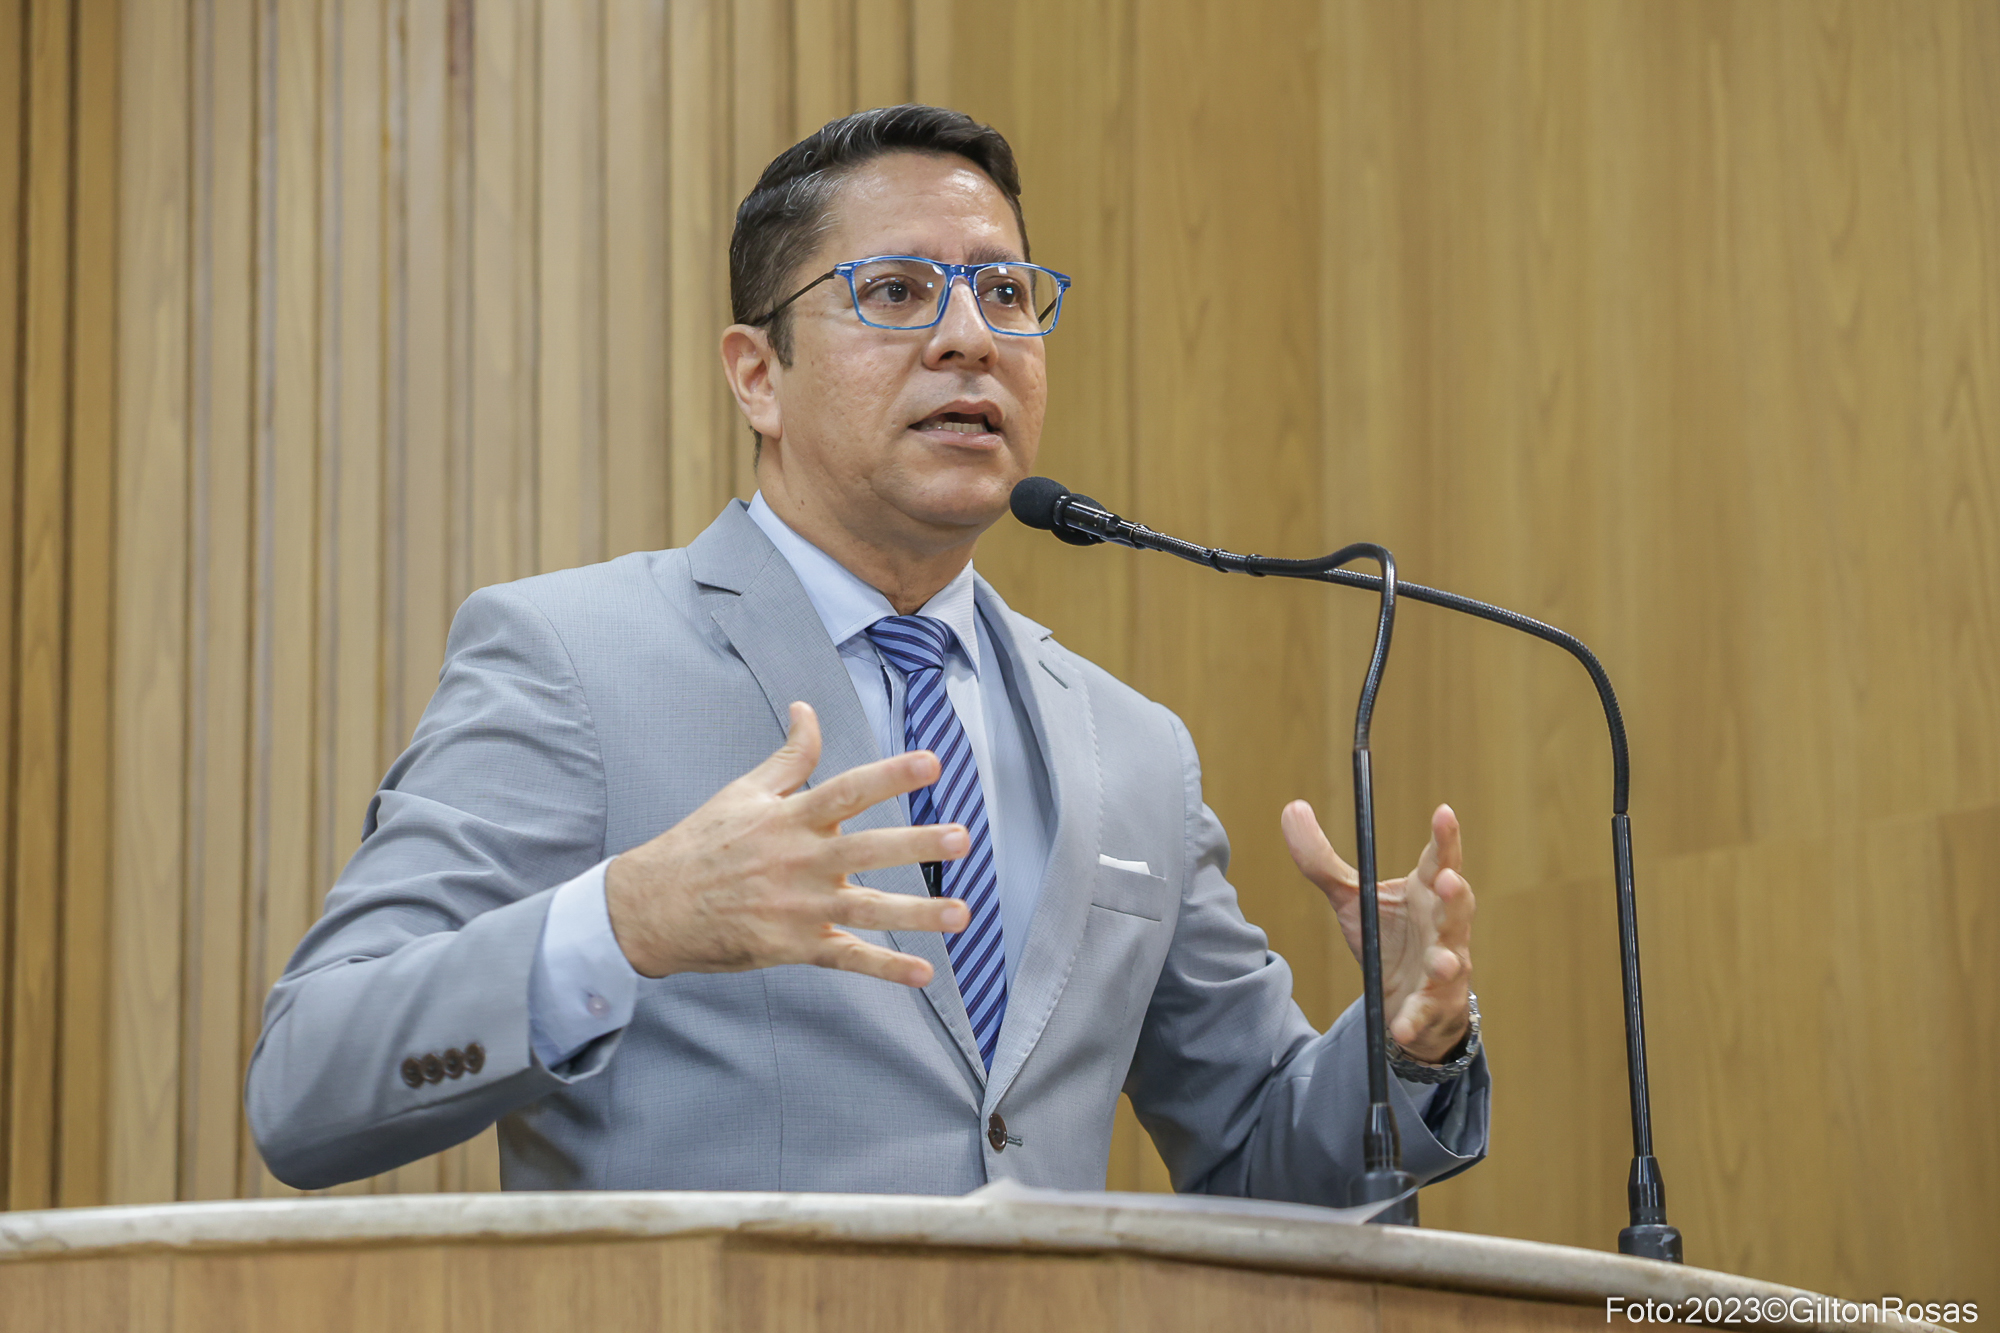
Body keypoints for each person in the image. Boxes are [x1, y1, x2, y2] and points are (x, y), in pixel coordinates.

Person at [246, 105, 1489, 1200]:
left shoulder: (1134, 751)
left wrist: (1400, 1045)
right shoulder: (570, 659)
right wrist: (625, 921)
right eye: (894, 292)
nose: (968, 338)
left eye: (1005, 293)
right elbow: (308, 1083)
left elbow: (1261, 1158)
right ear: (757, 376)